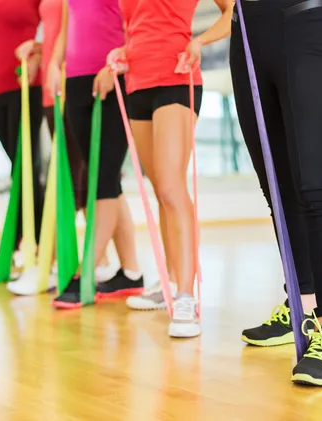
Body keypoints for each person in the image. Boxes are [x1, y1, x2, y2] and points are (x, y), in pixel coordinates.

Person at [229, 0, 322, 386]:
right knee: (278, 191)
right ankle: (303, 305)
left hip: (307, 20)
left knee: (317, 186)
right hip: (246, 31)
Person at [108, 0, 233, 337]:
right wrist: (124, 50)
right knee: (160, 192)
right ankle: (171, 282)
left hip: (176, 76)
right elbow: (141, 27)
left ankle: (186, 296)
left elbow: (234, 13)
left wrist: (200, 41)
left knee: (171, 187)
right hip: (137, 82)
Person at [7, 0, 120, 295]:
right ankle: (120, 266)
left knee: (83, 180)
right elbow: (60, 30)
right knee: (88, 181)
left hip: (81, 80)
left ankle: (57, 262)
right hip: (57, 86)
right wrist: (46, 55)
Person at [41, 0, 144, 309]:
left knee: (103, 179)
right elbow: (67, 26)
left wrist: (114, 68)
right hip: (75, 79)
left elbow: (136, 26)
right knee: (107, 180)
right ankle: (131, 273)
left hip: (113, 79)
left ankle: (84, 272)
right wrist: (54, 64)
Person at [0, 0, 46, 284]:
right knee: (20, 166)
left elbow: (53, 24)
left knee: (26, 167)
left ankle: (18, 249)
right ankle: (33, 248)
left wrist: (38, 55)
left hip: (26, 83)